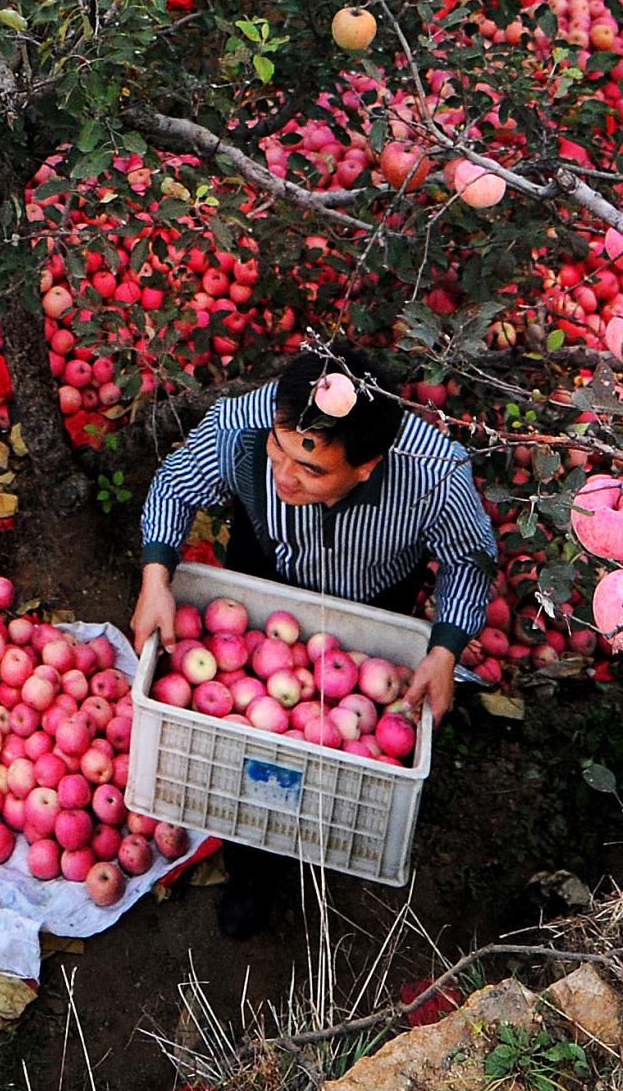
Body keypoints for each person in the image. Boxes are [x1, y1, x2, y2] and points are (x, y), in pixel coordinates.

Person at [132, 349, 497, 935]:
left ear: (367, 466)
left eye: (311, 471)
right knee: (253, 748)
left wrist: (445, 648)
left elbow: (468, 558)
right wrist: (156, 578)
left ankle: (322, 835)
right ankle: (251, 869)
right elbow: (176, 486)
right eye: (279, 451)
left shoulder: (432, 475)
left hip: (370, 607)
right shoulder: (245, 427)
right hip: (260, 588)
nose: (283, 476)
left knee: (340, 751)